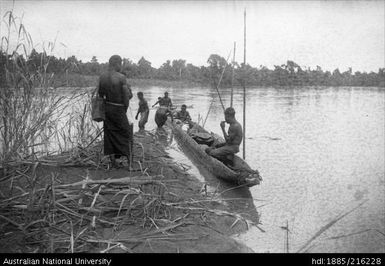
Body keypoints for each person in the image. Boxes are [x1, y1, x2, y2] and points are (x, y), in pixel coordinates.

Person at [98, 55, 133, 168]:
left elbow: (100, 95)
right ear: (117, 63)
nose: (121, 66)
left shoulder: (102, 77)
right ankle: (130, 163)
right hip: (119, 109)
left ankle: (113, 163)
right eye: (120, 63)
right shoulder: (121, 77)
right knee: (127, 133)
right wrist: (124, 110)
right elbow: (126, 98)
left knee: (109, 134)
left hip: (108, 108)